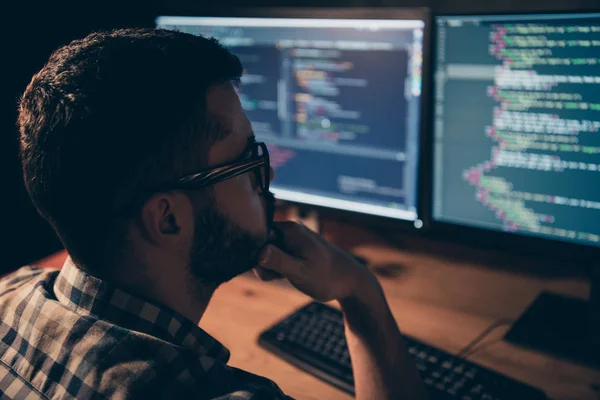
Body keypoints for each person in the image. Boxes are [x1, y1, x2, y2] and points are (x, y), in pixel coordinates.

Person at [2, 28, 427, 399]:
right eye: (244, 163)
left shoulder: (10, 293)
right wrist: (360, 291)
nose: (268, 173)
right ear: (168, 219)